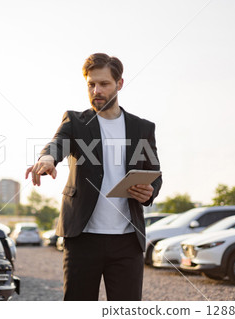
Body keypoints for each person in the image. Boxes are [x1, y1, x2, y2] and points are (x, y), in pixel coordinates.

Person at [25, 53, 162, 301]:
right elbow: (58, 143)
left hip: (127, 242)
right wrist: (47, 158)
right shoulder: (76, 121)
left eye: (104, 84)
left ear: (119, 84)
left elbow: (155, 174)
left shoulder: (143, 128)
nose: (96, 90)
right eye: (91, 84)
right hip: (82, 239)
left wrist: (150, 191)